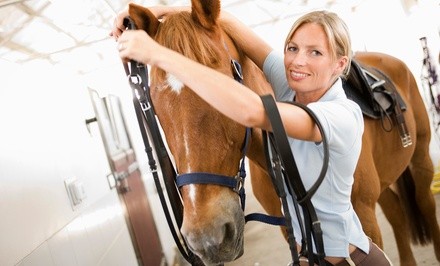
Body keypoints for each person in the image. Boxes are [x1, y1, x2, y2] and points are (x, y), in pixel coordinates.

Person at [111, 5, 392, 266]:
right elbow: (227, 20)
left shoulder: (342, 115)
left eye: (315, 53)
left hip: (349, 261)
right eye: (292, 48)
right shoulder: (291, 87)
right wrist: (159, 14)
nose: (297, 61)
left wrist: (157, 55)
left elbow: (251, 111)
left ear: (340, 64)